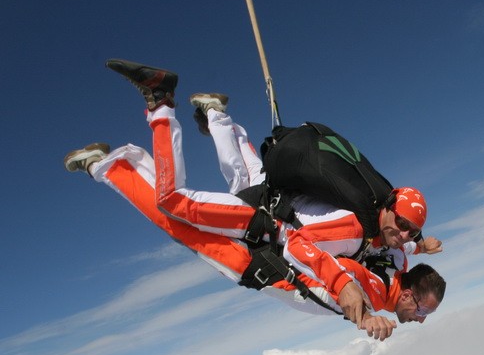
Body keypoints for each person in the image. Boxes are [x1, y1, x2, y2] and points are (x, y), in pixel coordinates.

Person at [96, 58, 443, 327]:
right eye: (424, 311)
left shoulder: (395, 257)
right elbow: (310, 251)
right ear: (409, 296)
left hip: (272, 202)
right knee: (172, 203)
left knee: (241, 173)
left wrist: (420, 244)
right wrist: (359, 308)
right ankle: (160, 103)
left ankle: (215, 115)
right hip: (262, 225)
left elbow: (395, 249)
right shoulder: (363, 251)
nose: (422, 319)